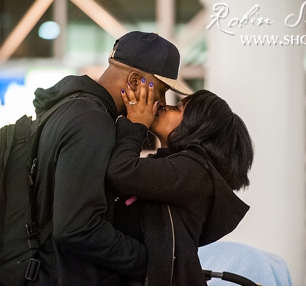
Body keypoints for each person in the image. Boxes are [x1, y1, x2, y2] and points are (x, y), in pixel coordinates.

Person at [30, 31, 194, 285]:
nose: (161, 103)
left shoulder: (69, 106)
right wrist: (150, 261)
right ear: (135, 80)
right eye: (160, 91)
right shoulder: (93, 123)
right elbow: (76, 227)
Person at [106, 80, 252, 285]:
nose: (164, 106)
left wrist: (135, 124)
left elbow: (120, 171)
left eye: (178, 108)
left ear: (196, 127)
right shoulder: (173, 169)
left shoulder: (195, 173)